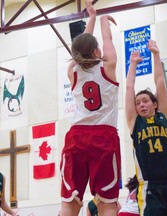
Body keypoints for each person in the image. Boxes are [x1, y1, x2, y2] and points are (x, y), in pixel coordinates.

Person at [60, 1, 121, 216]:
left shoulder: (72, 70)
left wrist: (92, 19)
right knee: (107, 202)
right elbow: (107, 40)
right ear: (97, 51)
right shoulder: (108, 64)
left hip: (76, 136)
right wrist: (103, 19)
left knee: (70, 201)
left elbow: (80, 49)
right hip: (103, 136)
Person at [125, 40, 167, 216]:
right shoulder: (135, 123)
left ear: (155, 104)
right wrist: (132, 64)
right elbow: (129, 88)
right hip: (150, 187)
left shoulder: (163, 116)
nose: (141, 105)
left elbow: (160, 83)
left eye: (145, 101)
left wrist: (156, 54)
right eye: (138, 103)